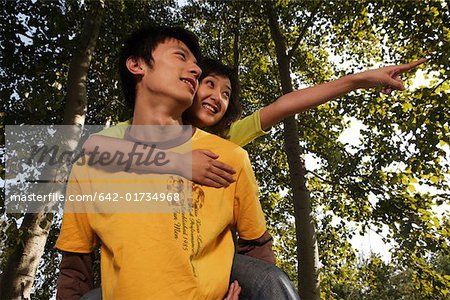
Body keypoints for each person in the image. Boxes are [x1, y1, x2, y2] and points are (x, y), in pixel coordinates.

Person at [56, 25, 283, 299]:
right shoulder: (91, 166)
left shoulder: (229, 156)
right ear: (137, 64)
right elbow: (75, 268)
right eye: (181, 56)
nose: (196, 70)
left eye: (197, 65)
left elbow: (258, 253)